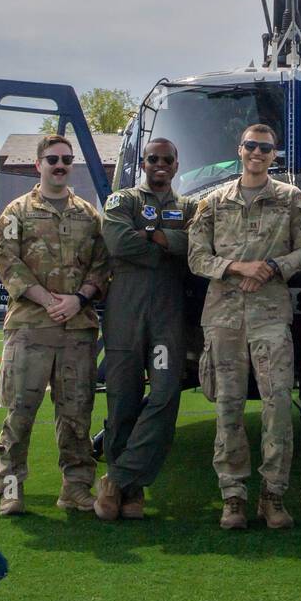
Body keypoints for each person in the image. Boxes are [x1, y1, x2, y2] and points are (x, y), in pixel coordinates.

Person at [188, 124, 301, 530]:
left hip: (270, 318)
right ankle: (233, 496)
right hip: (223, 319)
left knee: (278, 408)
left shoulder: (293, 201)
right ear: (239, 150)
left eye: (265, 148)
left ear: (274, 155)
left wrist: (274, 268)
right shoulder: (211, 203)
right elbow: (195, 257)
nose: (257, 153)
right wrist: (237, 267)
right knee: (228, 408)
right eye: (251, 146)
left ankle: (273, 496)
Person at [0, 134, 109, 516]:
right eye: (52, 159)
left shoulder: (89, 216)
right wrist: (47, 300)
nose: (60, 165)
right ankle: (10, 488)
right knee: (19, 412)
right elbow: (7, 261)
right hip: (30, 327)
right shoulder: (17, 212)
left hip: (77, 328)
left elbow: (102, 266)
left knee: (76, 415)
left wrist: (78, 299)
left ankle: (75, 488)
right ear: (38, 164)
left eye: (66, 160)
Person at [95, 138, 195, 520]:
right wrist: (166, 245)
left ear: (176, 164)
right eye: (153, 158)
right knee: (122, 397)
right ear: (142, 162)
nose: (160, 165)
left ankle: (116, 479)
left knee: (166, 392)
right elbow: (119, 242)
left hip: (166, 315)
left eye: (167, 159)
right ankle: (131, 491)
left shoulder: (188, 207)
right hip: (126, 312)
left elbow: (195, 243)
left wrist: (151, 237)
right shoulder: (122, 201)